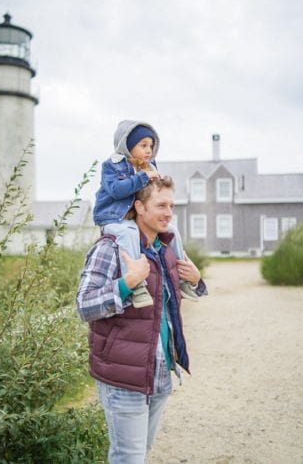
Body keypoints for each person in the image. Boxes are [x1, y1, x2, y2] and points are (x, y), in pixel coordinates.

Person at [77, 177, 207, 464]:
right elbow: (84, 304)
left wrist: (197, 281)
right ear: (139, 207)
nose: (169, 212)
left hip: (159, 371)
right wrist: (127, 283)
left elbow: (172, 302)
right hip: (123, 376)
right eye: (161, 205)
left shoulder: (167, 248)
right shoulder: (110, 248)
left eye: (171, 205)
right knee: (129, 458)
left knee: (140, 454)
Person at [93, 119, 198, 308]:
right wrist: (143, 177)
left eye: (151, 146)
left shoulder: (149, 166)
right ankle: (137, 284)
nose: (149, 150)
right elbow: (116, 190)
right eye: (143, 145)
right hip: (113, 216)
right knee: (128, 233)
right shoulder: (112, 165)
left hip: (134, 218)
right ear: (127, 146)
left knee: (172, 230)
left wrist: (194, 277)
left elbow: (153, 194)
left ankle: (183, 274)